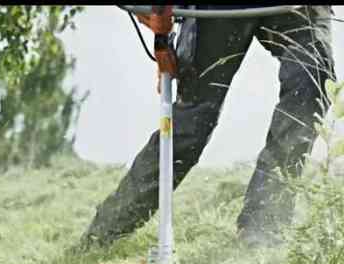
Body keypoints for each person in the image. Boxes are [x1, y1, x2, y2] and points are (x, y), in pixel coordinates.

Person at [80, 5, 336, 249]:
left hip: (295, 9)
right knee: (190, 128)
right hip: (216, 9)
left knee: (312, 82)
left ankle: (264, 226)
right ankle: (101, 234)